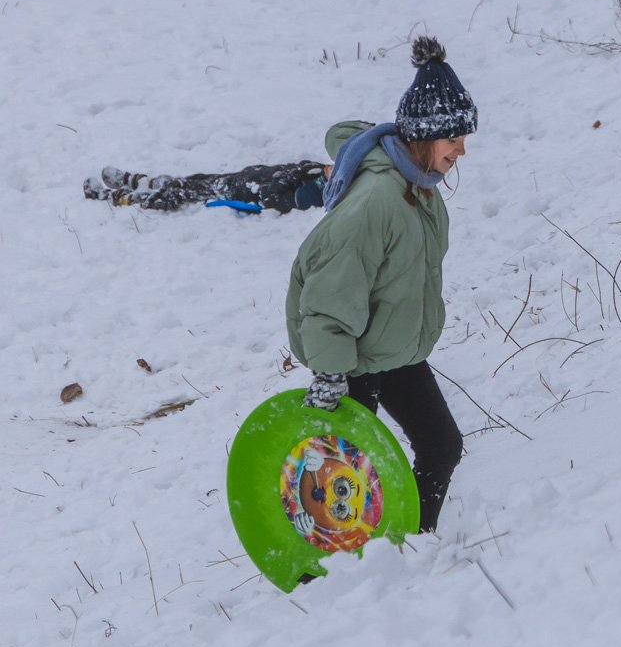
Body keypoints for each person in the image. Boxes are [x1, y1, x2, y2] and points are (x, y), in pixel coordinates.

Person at [285, 35, 474, 534]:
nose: (462, 149)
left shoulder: (420, 187)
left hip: (395, 351)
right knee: (341, 477)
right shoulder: (377, 201)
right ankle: (323, 568)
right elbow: (328, 294)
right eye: (453, 137)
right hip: (353, 361)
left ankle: (414, 539)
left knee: (441, 446)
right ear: (424, 135)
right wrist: (330, 374)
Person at [83, 161, 327, 213]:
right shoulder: (319, 173)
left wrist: (294, 174)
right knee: (187, 181)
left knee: (174, 196)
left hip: (233, 192)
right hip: (237, 177)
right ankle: (138, 181)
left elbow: (271, 198)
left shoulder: (311, 196)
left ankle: (114, 196)